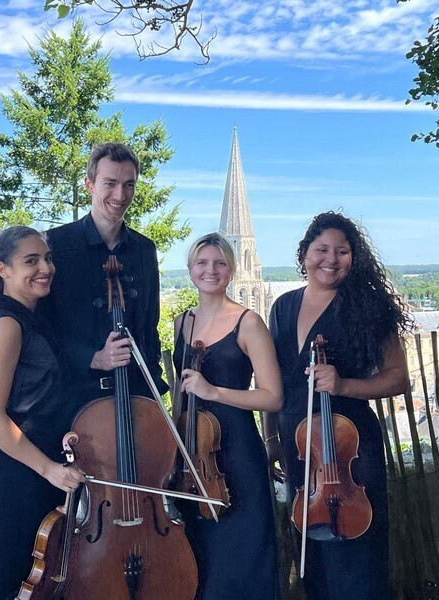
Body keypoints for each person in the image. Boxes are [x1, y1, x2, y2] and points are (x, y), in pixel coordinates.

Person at [265, 212, 410, 599]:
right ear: (305, 253)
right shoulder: (282, 307)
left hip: (350, 445)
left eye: (342, 251)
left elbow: (399, 377)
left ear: (354, 257)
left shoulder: (369, 307)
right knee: (313, 546)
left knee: (357, 544)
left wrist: (344, 383)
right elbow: (273, 379)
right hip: (299, 443)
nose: (331, 259)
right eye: (322, 249)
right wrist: (271, 436)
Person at [0, 226, 84, 600]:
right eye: (30, 261)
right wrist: (48, 468)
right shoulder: (6, 323)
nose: (44, 267)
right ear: (3, 269)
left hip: (33, 473)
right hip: (11, 477)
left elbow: (39, 399)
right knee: (5, 586)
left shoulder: (29, 315)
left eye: (47, 258)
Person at [173, 232, 283, 600]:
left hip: (236, 455)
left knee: (241, 559)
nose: (211, 270)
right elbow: (178, 391)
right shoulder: (181, 323)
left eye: (220, 263)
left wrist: (214, 392)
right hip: (192, 458)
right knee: (198, 561)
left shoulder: (248, 323)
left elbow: (272, 397)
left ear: (232, 271)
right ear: (190, 271)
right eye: (202, 263)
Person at [42, 142, 169, 407]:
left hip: (137, 396)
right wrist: (92, 358)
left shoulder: (144, 249)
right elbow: (42, 326)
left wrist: (152, 381)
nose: (120, 195)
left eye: (129, 184)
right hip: (74, 398)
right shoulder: (56, 245)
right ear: (90, 184)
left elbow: (149, 325)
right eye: (110, 183)